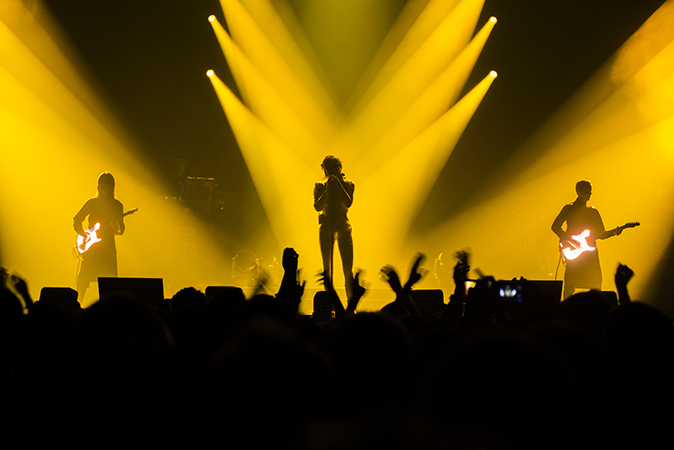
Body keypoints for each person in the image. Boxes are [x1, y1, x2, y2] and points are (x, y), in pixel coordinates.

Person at [551, 180, 620, 299]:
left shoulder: (593, 212)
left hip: (590, 254)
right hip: (575, 254)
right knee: (570, 285)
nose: (589, 193)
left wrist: (614, 232)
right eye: (587, 191)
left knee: (596, 283)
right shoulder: (569, 208)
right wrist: (570, 240)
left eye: (590, 191)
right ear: (578, 191)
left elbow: (601, 234)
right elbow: (555, 226)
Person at [74, 172, 125, 301]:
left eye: (106, 184)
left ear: (111, 186)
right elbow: (77, 219)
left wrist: (116, 229)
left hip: (107, 247)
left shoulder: (117, 205)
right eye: (101, 183)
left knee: (109, 282)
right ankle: (77, 304)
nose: (102, 186)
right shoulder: (92, 203)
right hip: (92, 247)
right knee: (83, 280)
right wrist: (83, 234)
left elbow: (121, 229)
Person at [313, 156, 355, 299]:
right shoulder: (319, 185)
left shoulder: (349, 184)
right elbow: (317, 207)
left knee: (347, 269)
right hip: (326, 228)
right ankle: (329, 302)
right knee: (327, 269)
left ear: (339, 168)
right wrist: (327, 192)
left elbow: (348, 202)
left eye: (334, 168)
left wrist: (338, 185)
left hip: (343, 226)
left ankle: (351, 302)